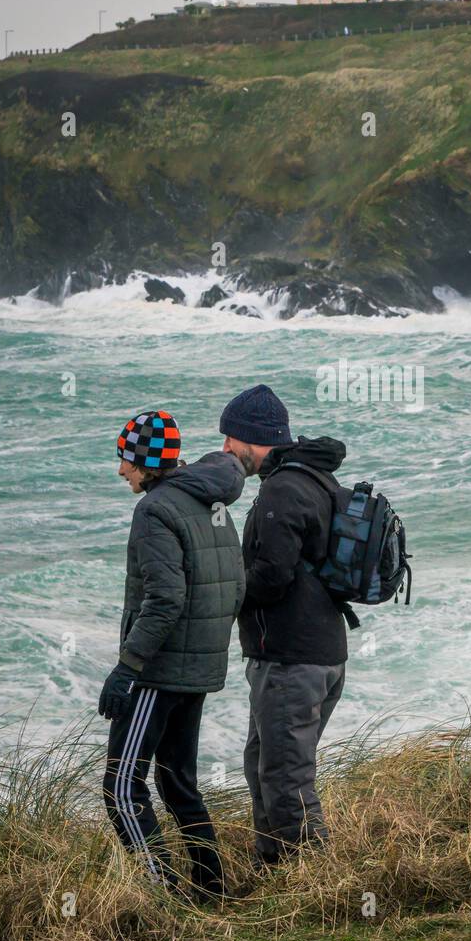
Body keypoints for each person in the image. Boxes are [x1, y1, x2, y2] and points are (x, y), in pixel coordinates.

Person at [99, 409, 245, 902]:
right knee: (178, 783)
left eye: (126, 461)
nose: (121, 471)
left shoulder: (155, 509)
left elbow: (164, 599)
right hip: (199, 669)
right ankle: (211, 890)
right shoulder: (211, 503)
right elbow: (236, 585)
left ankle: (164, 898)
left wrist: (128, 668)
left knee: (121, 788)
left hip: (159, 672)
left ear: (145, 462)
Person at [219, 385, 348, 866]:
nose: (226, 449)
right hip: (320, 652)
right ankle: (270, 867)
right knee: (264, 765)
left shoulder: (281, 488)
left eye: (231, 438)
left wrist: (223, 592)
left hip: (292, 659)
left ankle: (314, 885)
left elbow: (272, 576)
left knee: (287, 777)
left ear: (253, 439)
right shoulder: (315, 479)